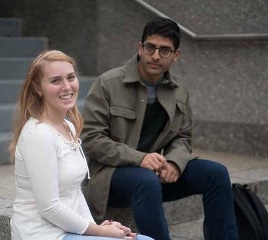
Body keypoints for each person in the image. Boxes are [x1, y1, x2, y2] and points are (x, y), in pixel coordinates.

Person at [81, 17, 238, 240]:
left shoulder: (179, 89)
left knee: (216, 173)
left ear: (176, 55)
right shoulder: (109, 83)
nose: (155, 56)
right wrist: (140, 158)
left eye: (165, 50)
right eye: (150, 47)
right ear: (140, 48)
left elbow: (183, 136)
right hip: (110, 177)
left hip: (154, 175)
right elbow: (91, 138)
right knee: (146, 180)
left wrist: (174, 161)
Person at [8, 50, 154, 240]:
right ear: (38, 88)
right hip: (42, 234)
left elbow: (75, 191)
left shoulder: (67, 125)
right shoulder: (39, 135)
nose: (67, 86)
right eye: (55, 81)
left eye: (70, 77)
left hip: (68, 230)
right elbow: (50, 207)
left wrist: (98, 229)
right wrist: (101, 232)